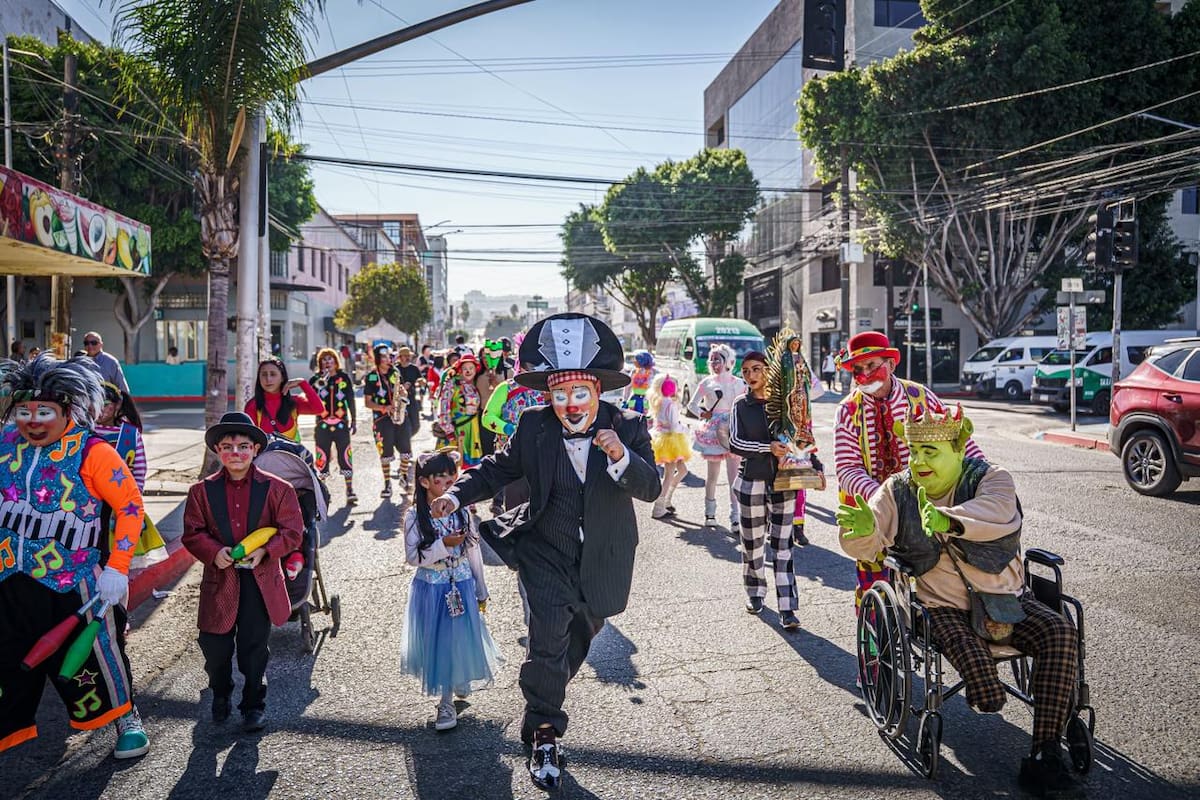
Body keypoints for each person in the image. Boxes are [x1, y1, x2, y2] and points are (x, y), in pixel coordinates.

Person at [430, 313, 660, 791]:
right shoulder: (534, 426)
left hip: (606, 554)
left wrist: (621, 455)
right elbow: (496, 468)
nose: (570, 405)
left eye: (580, 394)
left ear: (598, 391)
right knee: (548, 635)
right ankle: (544, 730)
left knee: (580, 631)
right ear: (547, 396)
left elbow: (651, 487)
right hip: (543, 549)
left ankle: (543, 686)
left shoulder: (630, 426)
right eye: (559, 395)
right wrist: (457, 495)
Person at [837, 407, 1083, 800]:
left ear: (958, 450)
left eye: (929, 452)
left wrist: (947, 519)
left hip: (1007, 599)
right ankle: (984, 688)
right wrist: (862, 534)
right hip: (941, 606)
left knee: (1060, 632)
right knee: (980, 680)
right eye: (914, 451)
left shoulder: (992, 479)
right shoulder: (896, 491)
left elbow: (999, 512)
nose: (918, 461)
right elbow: (866, 543)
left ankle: (1045, 753)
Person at [0, 354, 149, 759]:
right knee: (8, 660)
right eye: (24, 410)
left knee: (100, 658)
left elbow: (130, 506)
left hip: (77, 580)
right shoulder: (4, 445)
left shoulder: (93, 451)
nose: (32, 420)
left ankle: (127, 717)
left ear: (67, 410)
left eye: (44, 410)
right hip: (10, 576)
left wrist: (117, 566)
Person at [833, 331, 983, 609]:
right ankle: (876, 644)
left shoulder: (920, 397)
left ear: (890, 365)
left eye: (872, 365)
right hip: (873, 508)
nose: (865, 374)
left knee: (936, 571)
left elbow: (955, 440)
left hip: (924, 502)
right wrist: (887, 500)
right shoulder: (847, 410)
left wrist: (982, 474)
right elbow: (847, 468)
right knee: (872, 579)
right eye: (858, 369)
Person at [181, 412, 304, 733]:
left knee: (253, 648)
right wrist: (213, 552)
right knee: (214, 647)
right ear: (218, 451)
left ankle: (253, 705)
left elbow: (293, 531)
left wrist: (267, 550)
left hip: (259, 582)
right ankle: (220, 692)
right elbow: (193, 533)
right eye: (227, 447)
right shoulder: (201, 492)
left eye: (243, 446)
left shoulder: (279, 489)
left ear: (255, 449)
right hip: (219, 579)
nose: (235, 453)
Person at [401, 450, 500, 732]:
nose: (447, 482)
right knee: (441, 641)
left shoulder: (463, 512)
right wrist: (443, 544)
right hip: (432, 587)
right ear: (424, 483)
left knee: (461, 635)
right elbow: (412, 557)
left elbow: (473, 549)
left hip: (463, 582)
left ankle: (457, 679)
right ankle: (445, 702)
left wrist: (481, 587)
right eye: (440, 478)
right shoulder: (414, 516)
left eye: (451, 476)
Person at [727, 351, 800, 630]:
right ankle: (755, 592)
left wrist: (812, 465)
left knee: (783, 546)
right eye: (745, 371)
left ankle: (787, 607)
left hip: (784, 482)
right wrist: (766, 448)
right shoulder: (740, 404)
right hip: (751, 482)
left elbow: (800, 436)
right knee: (753, 543)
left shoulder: (785, 403)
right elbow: (735, 443)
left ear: (768, 370)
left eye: (756, 369)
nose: (751, 375)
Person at [95, 382, 166, 568]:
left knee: (116, 561)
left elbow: (139, 471)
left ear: (117, 405)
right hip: (88, 507)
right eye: (92, 403)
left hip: (119, 508)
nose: (98, 410)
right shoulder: (83, 431)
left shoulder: (129, 433)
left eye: (104, 404)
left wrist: (134, 500)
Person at [687, 344, 745, 531]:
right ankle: (709, 513)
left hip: (733, 430)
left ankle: (735, 517)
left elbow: (746, 403)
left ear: (728, 362)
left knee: (734, 478)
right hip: (713, 431)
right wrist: (702, 414)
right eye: (711, 359)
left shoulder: (739, 383)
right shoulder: (706, 383)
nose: (713, 363)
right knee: (712, 476)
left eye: (717, 359)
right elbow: (692, 405)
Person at [310, 348, 357, 505]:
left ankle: (350, 490)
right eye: (324, 359)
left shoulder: (344, 378)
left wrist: (354, 420)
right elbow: (309, 399)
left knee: (345, 456)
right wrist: (319, 382)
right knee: (322, 457)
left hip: (341, 424)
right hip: (322, 425)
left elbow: (350, 399)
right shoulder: (316, 379)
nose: (327, 362)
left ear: (336, 361)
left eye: (330, 359)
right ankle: (323, 491)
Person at [364, 345, 411, 500]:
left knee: (406, 450)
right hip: (382, 419)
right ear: (378, 359)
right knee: (385, 453)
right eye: (384, 357)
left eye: (390, 356)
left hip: (400, 415)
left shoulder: (395, 373)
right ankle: (387, 484)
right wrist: (384, 407)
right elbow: (368, 402)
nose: (388, 359)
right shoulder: (371, 376)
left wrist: (403, 393)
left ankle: (404, 476)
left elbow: (401, 390)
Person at [245, 357, 323, 443]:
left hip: (292, 455)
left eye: (273, 374)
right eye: (264, 374)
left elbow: (319, 409)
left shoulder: (294, 402)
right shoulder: (253, 405)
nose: (268, 379)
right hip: (264, 455)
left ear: (282, 377)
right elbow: (249, 439)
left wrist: (302, 383)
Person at [649, 374, 691, 519]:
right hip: (671, 441)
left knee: (682, 470)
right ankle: (659, 507)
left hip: (663, 438)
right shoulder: (670, 404)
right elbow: (674, 427)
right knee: (668, 475)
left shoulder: (660, 401)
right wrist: (685, 429)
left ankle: (666, 500)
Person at [435, 353, 483, 470]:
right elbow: (443, 406)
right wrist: (448, 430)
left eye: (471, 368)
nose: (468, 371)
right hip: (455, 431)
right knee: (449, 467)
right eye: (465, 368)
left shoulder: (473, 385)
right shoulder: (452, 383)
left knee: (470, 469)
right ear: (460, 370)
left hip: (472, 430)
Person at [623, 350, 656, 415]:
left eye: (636, 360)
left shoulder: (635, 372)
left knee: (634, 416)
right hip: (642, 399)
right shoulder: (650, 373)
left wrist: (625, 399)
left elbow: (627, 386)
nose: (634, 361)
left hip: (638, 399)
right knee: (641, 416)